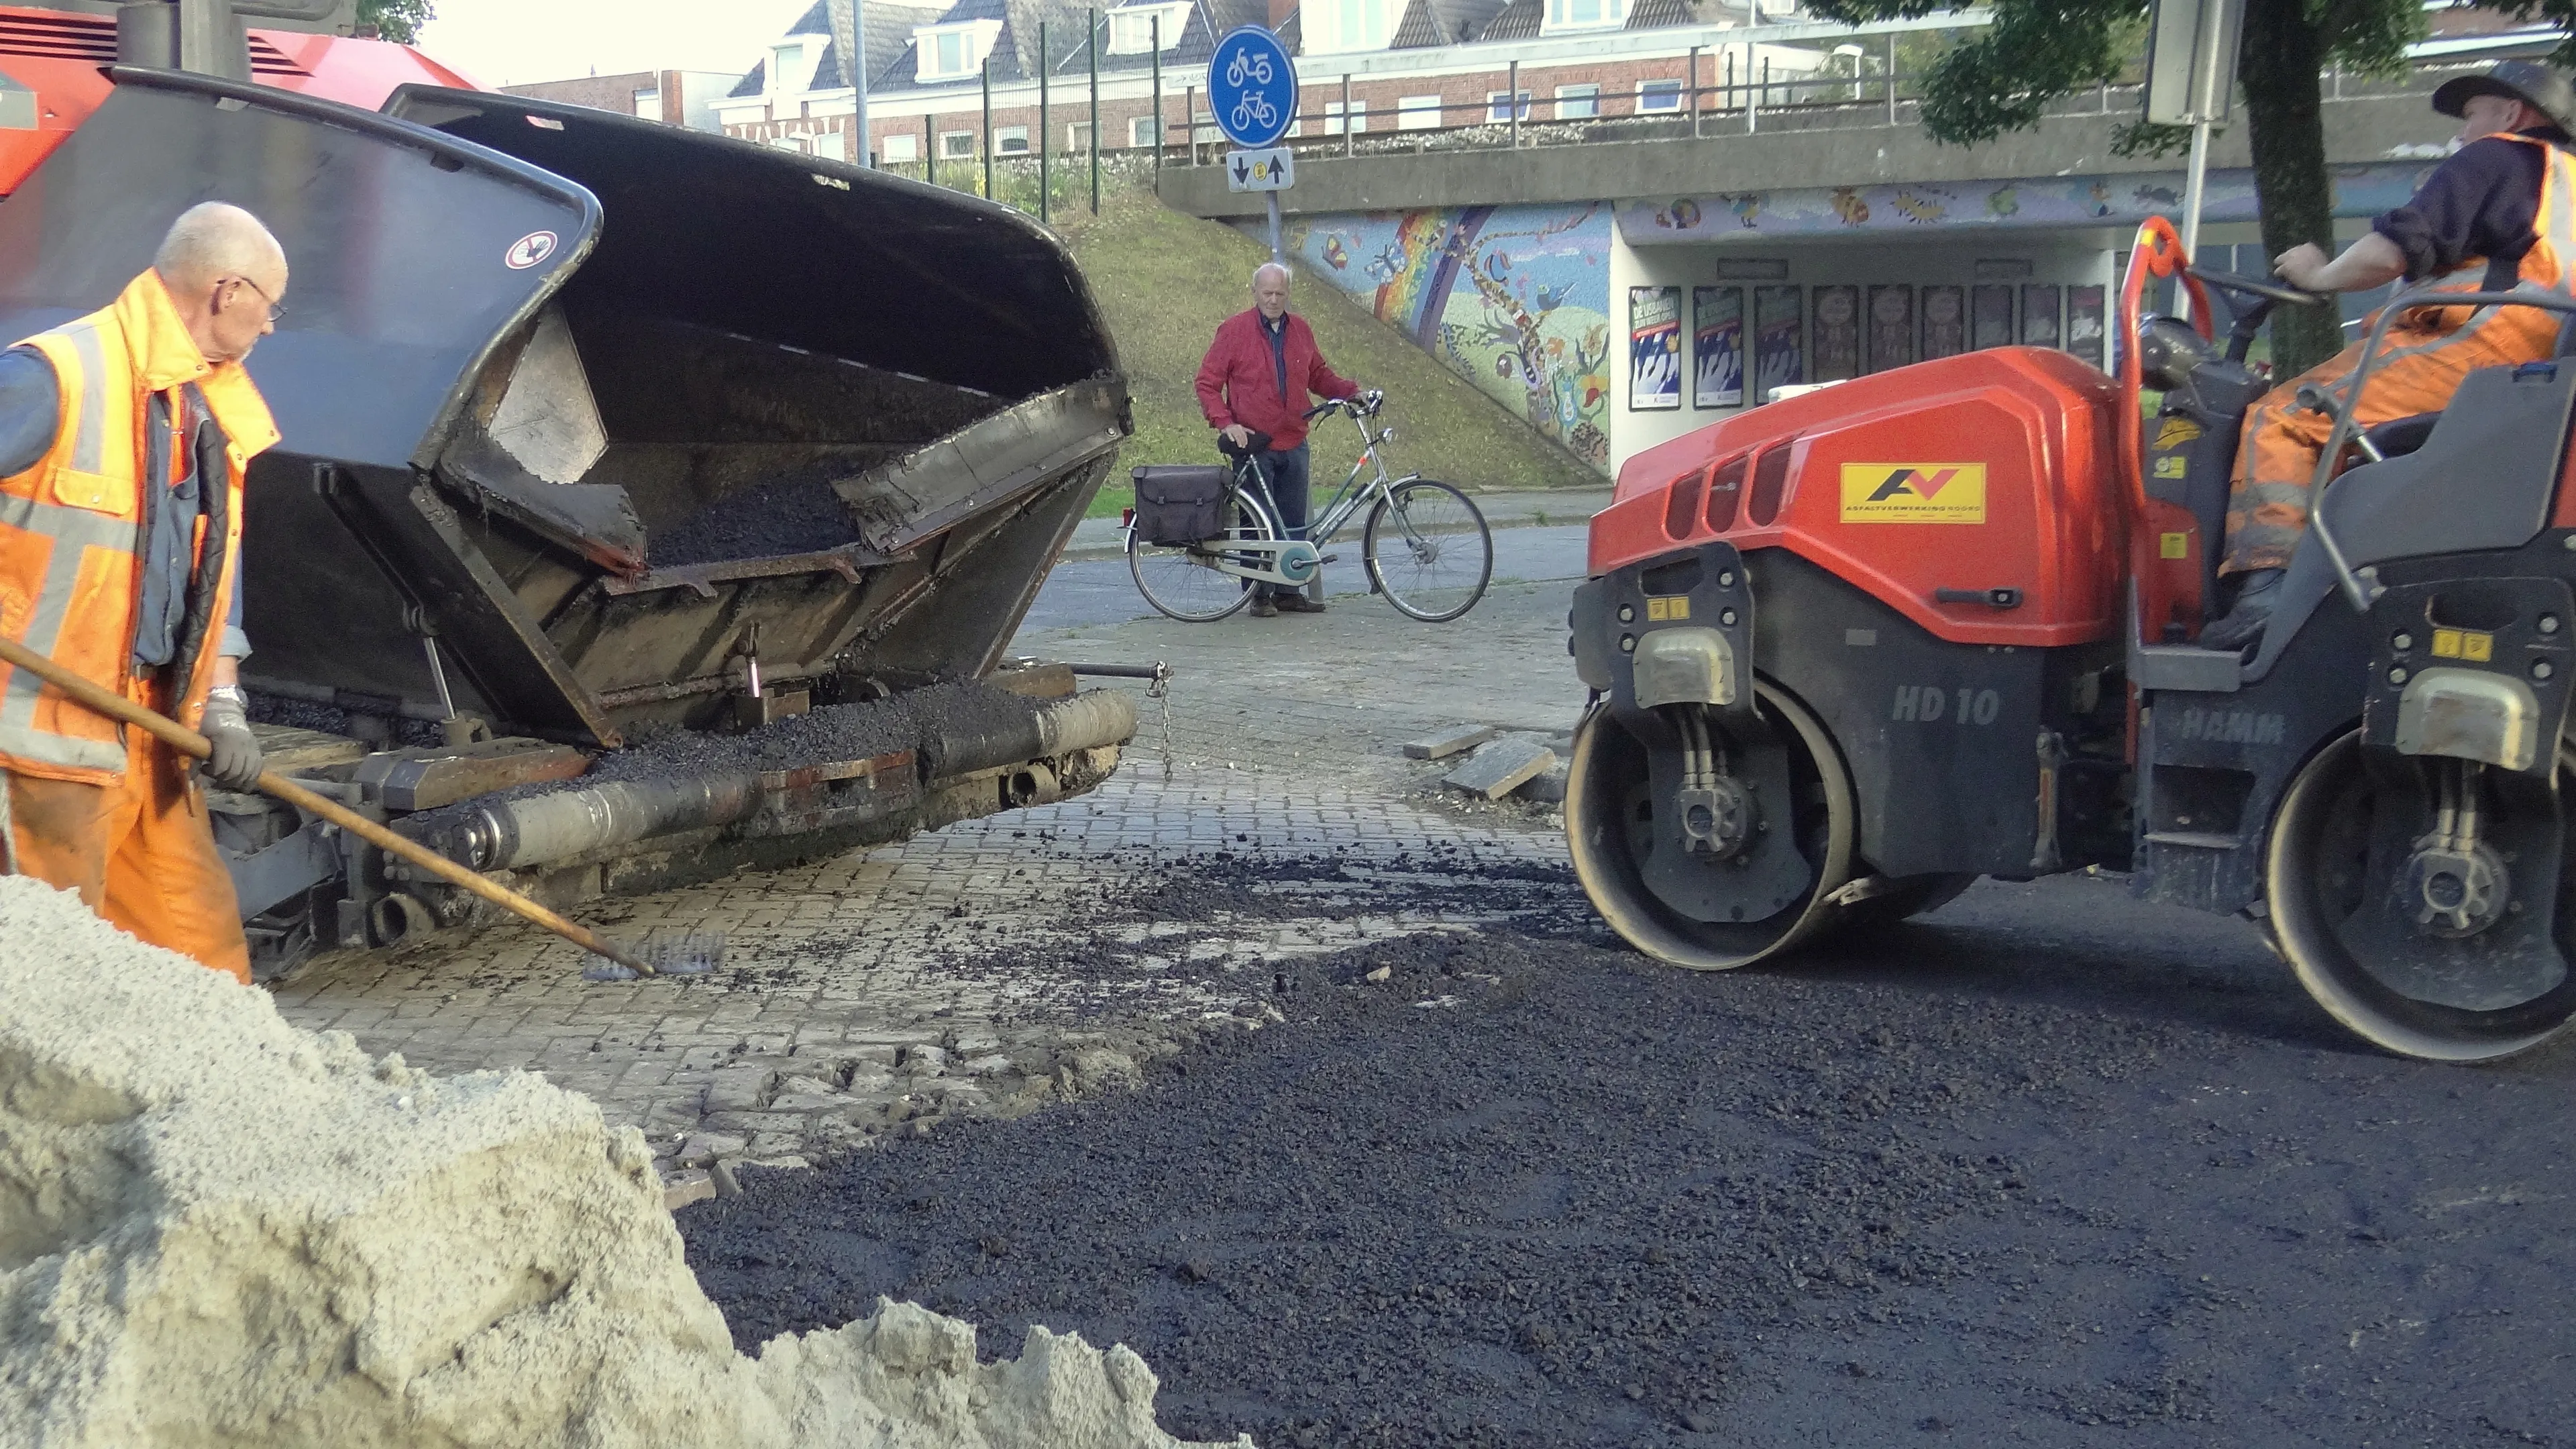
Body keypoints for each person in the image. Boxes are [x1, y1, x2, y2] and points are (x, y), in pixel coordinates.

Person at [0, 202, 286, 985]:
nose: (270, 327)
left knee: (204, 968)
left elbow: (211, 576)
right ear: (228, 290)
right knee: (46, 980)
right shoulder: (56, 376)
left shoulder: (205, 406)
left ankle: (220, 1102)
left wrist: (223, 707)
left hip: (148, 735)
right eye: (271, 305)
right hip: (40, 746)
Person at [2204, 60, 2576, 649]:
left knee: (2282, 419)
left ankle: (2265, 594)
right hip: (2531, 370)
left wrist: (2320, 274)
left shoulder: (2499, 157)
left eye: (2472, 114)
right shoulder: (2566, 183)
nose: (2462, 133)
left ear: (2512, 113)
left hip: (2478, 348)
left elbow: (2393, 251)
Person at [1193, 261, 1363, 618]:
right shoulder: (1234, 331)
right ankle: (1258, 594)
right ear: (1255, 292)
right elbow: (1207, 382)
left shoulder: (1300, 329)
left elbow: (1317, 374)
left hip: (1294, 440)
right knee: (1258, 523)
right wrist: (1226, 422)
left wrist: (1350, 392)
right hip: (1254, 443)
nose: (1273, 300)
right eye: (1267, 293)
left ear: (1288, 294)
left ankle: (1288, 591)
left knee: (1291, 520)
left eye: (1280, 293)